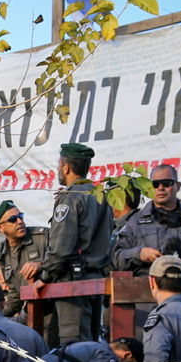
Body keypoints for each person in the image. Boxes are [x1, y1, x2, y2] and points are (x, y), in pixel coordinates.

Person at [39, 143, 113, 345]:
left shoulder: (70, 198)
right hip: (95, 279)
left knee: (72, 347)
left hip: (72, 282)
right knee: (90, 343)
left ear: (65, 166)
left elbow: (62, 247)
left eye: (59, 164)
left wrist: (44, 276)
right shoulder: (100, 195)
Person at [111, 164, 181, 275]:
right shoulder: (135, 220)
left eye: (167, 183)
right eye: (155, 184)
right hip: (146, 288)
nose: (161, 188)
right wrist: (139, 254)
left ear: (178, 186)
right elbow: (118, 257)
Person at [0, 201, 47, 322]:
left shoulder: (43, 237)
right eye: (13, 219)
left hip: (55, 308)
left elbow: (62, 261)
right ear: (0, 227)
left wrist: (42, 265)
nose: (20, 221)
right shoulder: (2, 255)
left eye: (20, 216)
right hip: (32, 313)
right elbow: (16, 295)